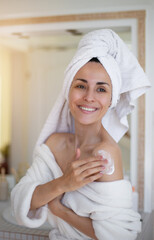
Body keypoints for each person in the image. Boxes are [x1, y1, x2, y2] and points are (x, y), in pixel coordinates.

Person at [11, 29, 150, 240]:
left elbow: (118, 236)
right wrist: (64, 183)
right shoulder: (54, 144)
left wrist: (60, 210)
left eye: (101, 89)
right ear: (68, 90)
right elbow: (20, 199)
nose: (89, 97)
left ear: (112, 100)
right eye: (81, 85)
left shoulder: (105, 154)